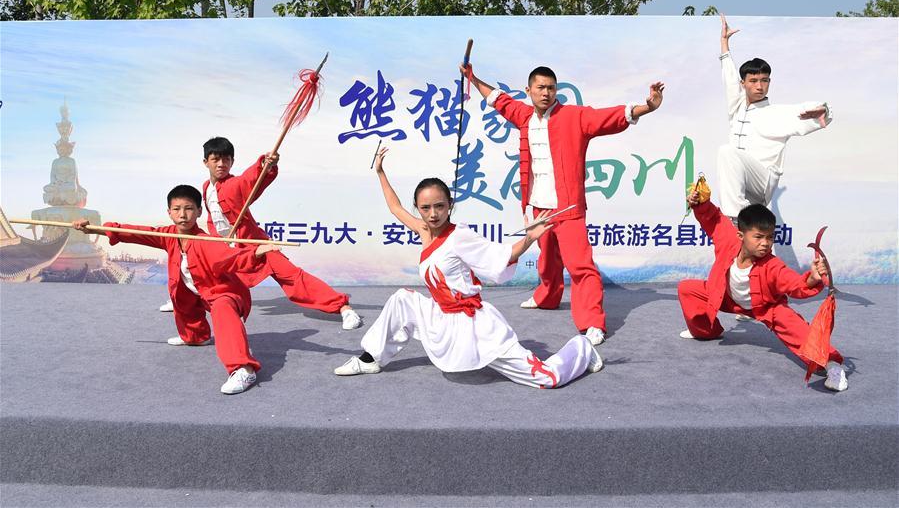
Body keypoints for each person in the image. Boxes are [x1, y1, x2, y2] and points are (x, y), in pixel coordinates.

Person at [333, 147, 603, 388]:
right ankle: (370, 358)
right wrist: (380, 172)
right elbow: (395, 207)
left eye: (439, 206)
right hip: (440, 317)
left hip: (473, 324)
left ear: (450, 206)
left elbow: (499, 257)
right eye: (425, 208)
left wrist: (530, 238)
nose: (433, 213)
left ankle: (582, 349)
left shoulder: (459, 236)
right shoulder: (425, 230)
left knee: (546, 379)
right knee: (402, 300)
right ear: (419, 209)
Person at [462, 63, 664, 345]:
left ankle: (592, 322)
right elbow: (498, 99)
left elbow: (612, 116)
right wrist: (472, 78)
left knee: (581, 267)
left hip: (567, 207)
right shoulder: (523, 115)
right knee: (547, 260)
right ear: (529, 90)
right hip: (536, 207)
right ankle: (547, 297)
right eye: (540, 88)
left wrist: (648, 107)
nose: (546, 93)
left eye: (551, 88)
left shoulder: (575, 117)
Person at [75, 185, 279, 394]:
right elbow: (137, 233)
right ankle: (196, 336)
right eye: (177, 209)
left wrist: (256, 253)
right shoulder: (169, 234)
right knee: (180, 295)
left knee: (222, 310)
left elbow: (231, 257)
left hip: (221, 292)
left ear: (199, 211)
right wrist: (95, 229)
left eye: (189, 208)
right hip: (195, 290)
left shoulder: (207, 241)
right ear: (169, 212)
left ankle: (243, 368)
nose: (183, 215)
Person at [676, 189, 848, 392]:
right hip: (725, 296)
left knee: (800, 331)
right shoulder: (728, 239)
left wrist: (812, 278)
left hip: (766, 308)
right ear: (740, 235)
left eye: (769, 237)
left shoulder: (773, 266)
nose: (765, 243)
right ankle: (705, 332)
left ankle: (833, 366)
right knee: (687, 289)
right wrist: (701, 202)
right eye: (758, 237)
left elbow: (796, 285)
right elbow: (714, 219)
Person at [197, 136, 361, 329]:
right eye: (216, 159)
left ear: (232, 161)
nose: (222, 164)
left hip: (254, 245)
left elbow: (249, 180)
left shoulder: (234, 185)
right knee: (200, 270)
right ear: (206, 162)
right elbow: (214, 219)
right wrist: (217, 243)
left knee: (292, 276)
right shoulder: (207, 188)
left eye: (227, 159)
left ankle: (344, 308)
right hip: (229, 250)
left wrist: (265, 165)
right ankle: (187, 301)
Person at [717, 14, 833, 221]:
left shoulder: (777, 113)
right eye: (753, 81)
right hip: (742, 188)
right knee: (727, 153)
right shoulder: (736, 107)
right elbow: (729, 79)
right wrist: (724, 43)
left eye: (764, 80)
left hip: (762, 182)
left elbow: (806, 110)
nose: (759, 86)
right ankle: (739, 221)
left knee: (727, 152)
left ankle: (735, 220)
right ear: (743, 83)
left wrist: (822, 110)